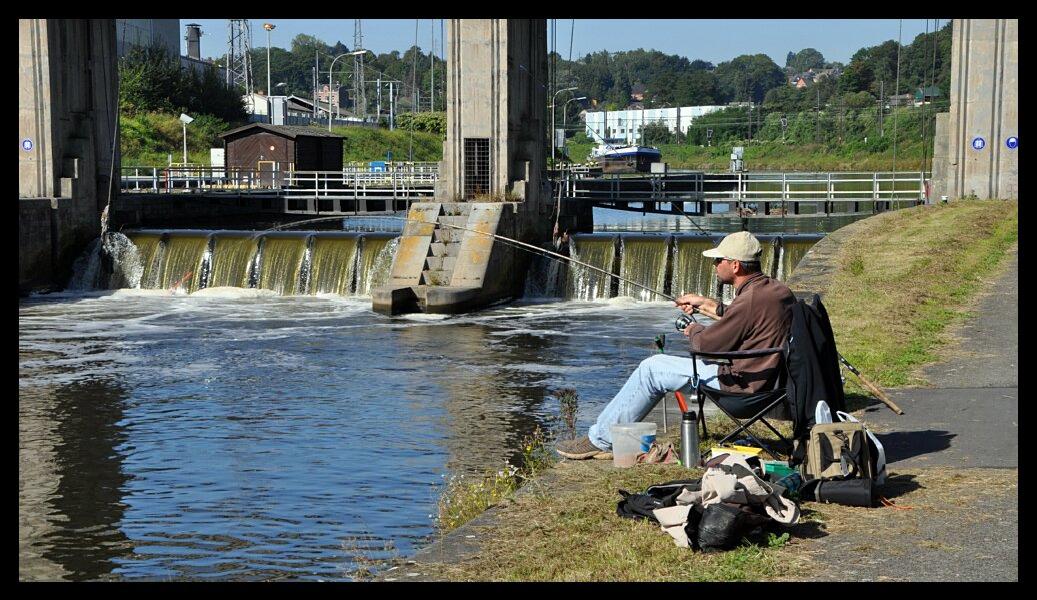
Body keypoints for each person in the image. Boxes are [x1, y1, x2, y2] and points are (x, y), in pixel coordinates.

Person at [556, 231, 796, 460]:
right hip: (768, 383)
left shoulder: (750, 300)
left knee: (652, 369)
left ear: (735, 265)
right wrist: (705, 303)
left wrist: (691, 328)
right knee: (657, 367)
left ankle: (601, 440)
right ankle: (604, 436)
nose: (714, 266)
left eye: (718, 261)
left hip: (741, 387)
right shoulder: (776, 291)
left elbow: (707, 345)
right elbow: (742, 319)